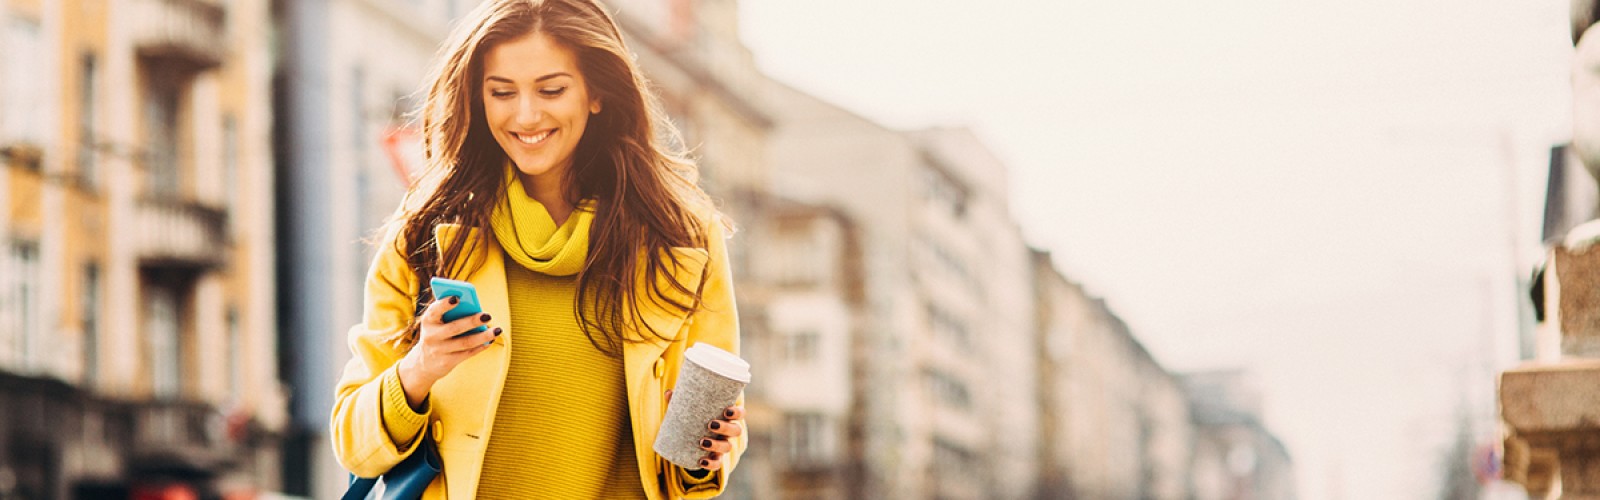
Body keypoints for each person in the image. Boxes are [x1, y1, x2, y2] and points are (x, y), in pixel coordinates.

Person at [328, 0, 746, 498]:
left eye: (552, 90)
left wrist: (707, 451)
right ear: (477, 100)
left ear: (596, 94)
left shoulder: (679, 237)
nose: (526, 115)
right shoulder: (424, 234)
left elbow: (696, 470)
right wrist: (421, 368)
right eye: (501, 92)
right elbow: (354, 445)